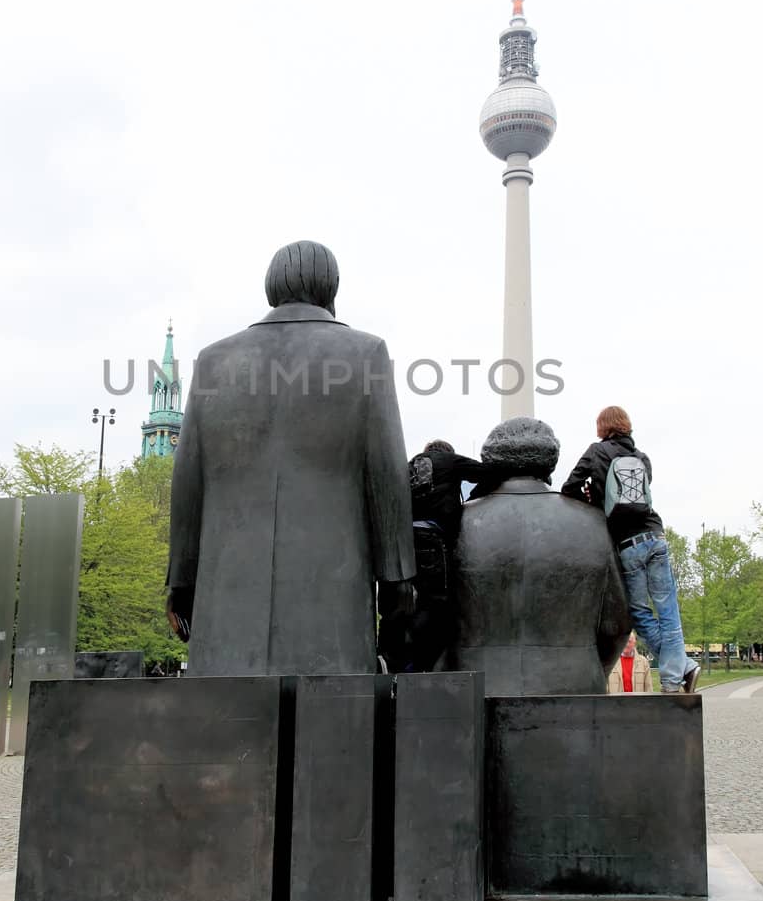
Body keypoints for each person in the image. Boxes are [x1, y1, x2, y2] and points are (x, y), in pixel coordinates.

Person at [167, 240, 415, 676]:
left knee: (225, 727)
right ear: (331, 288)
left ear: (271, 289)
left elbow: (187, 480)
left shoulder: (213, 361)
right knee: (329, 727)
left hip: (226, 586)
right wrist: (397, 581)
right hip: (334, 585)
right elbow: (387, 472)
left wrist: (181, 580)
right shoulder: (366, 353)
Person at [453, 417, 631, 695]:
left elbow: (433, 615)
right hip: (575, 686)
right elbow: (617, 623)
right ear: (550, 462)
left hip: (469, 693)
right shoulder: (595, 523)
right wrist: (593, 669)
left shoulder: (456, 523)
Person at [560, 405, 699, 694]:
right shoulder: (642, 458)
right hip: (655, 536)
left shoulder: (596, 452)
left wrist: (591, 497)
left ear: (602, 426)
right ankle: (678, 675)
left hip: (627, 545)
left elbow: (569, 487)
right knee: (669, 611)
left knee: (639, 612)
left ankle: (680, 671)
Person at [380, 440, 486, 672]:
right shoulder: (450, 461)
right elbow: (488, 472)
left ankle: (389, 659)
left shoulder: (408, 465)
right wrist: (471, 500)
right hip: (431, 539)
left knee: (398, 603)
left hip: (402, 540)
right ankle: (420, 665)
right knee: (435, 602)